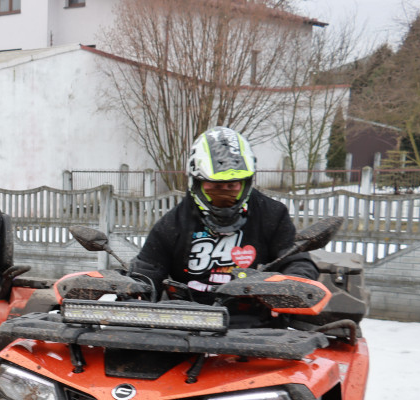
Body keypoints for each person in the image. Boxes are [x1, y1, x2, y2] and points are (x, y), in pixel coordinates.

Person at [131, 126, 318, 302]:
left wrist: (292, 286)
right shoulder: (173, 223)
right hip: (189, 322)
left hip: (258, 322)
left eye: (231, 186)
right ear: (198, 183)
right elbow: (147, 271)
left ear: (245, 184)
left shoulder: (272, 215)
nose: (224, 192)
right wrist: (134, 292)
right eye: (216, 186)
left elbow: (296, 261)